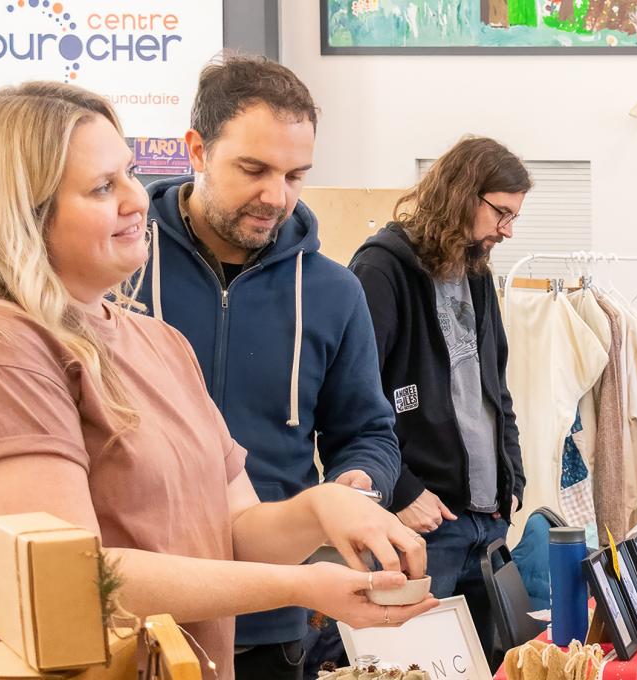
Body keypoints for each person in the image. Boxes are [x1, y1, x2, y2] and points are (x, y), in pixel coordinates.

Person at [0, 82, 434, 679]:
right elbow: (74, 582)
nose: (136, 200)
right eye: (101, 188)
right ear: (21, 210)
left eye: (130, 174)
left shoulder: (156, 343)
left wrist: (322, 507)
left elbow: (235, 531)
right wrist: (302, 584)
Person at [134, 55, 401, 680]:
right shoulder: (117, 271)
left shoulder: (335, 292)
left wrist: (354, 487)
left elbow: (367, 430)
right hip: (133, 607)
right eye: (253, 169)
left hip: (272, 612)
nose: (275, 196)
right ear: (196, 149)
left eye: (295, 175)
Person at [348, 137, 529, 663]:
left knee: (490, 666)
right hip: (422, 525)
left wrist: (511, 478)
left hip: (488, 522)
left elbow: (497, 389)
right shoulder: (382, 269)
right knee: (410, 666)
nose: (507, 230)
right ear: (461, 194)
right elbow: (353, 400)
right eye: (501, 213)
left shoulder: (477, 273)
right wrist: (401, 490)